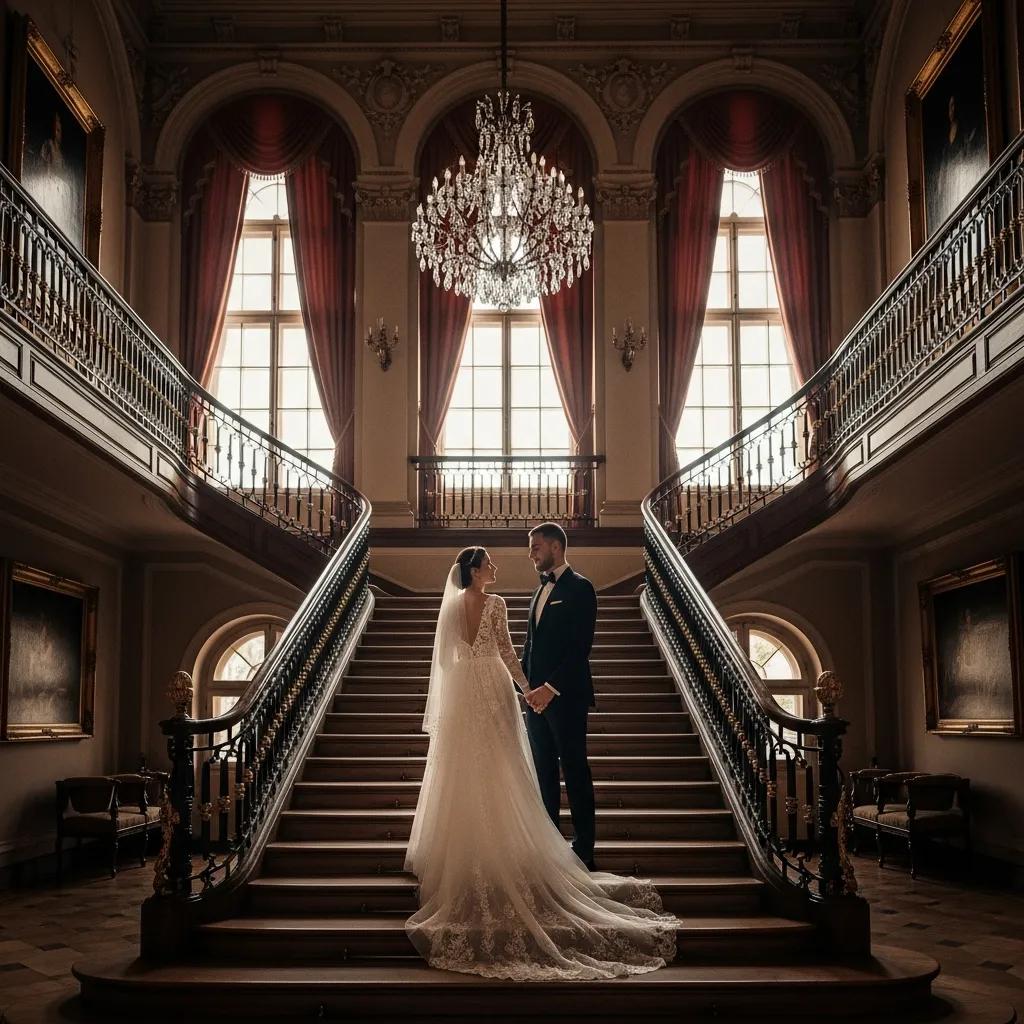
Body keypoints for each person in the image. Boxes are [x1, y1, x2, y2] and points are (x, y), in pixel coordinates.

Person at [404, 543, 676, 981]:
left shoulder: (452, 607)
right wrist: (529, 687)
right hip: (492, 685)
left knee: (463, 770)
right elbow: (509, 653)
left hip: (462, 689)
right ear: (475, 571)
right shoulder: (495, 603)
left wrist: (469, 685)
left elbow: (444, 659)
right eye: (489, 563)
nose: (496, 567)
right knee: (501, 765)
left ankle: (465, 848)